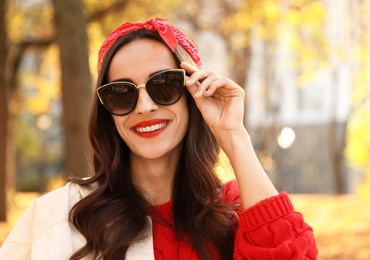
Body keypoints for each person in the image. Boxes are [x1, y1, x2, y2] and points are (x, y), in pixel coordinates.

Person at [0, 18, 318, 259]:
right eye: (121, 94)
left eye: (164, 85)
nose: (145, 106)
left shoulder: (235, 212)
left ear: (194, 94)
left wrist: (234, 136)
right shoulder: (59, 218)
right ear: (107, 113)